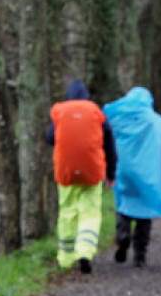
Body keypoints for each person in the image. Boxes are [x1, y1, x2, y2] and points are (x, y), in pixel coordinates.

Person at [103, 87, 161, 268]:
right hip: (148, 173)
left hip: (122, 170)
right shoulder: (157, 122)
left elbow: (105, 142)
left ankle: (123, 235)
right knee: (144, 214)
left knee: (124, 206)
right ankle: (140, 255)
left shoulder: (116, 118)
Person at [46, 79, 117, 274]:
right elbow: (109, 144)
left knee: (67, 212)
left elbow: (50, 138)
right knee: (90, 212)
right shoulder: (96, 112)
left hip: (65, 171)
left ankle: (65, 258)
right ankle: (85, 251)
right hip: (92, 171)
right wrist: (111, 173)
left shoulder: (60, 111)